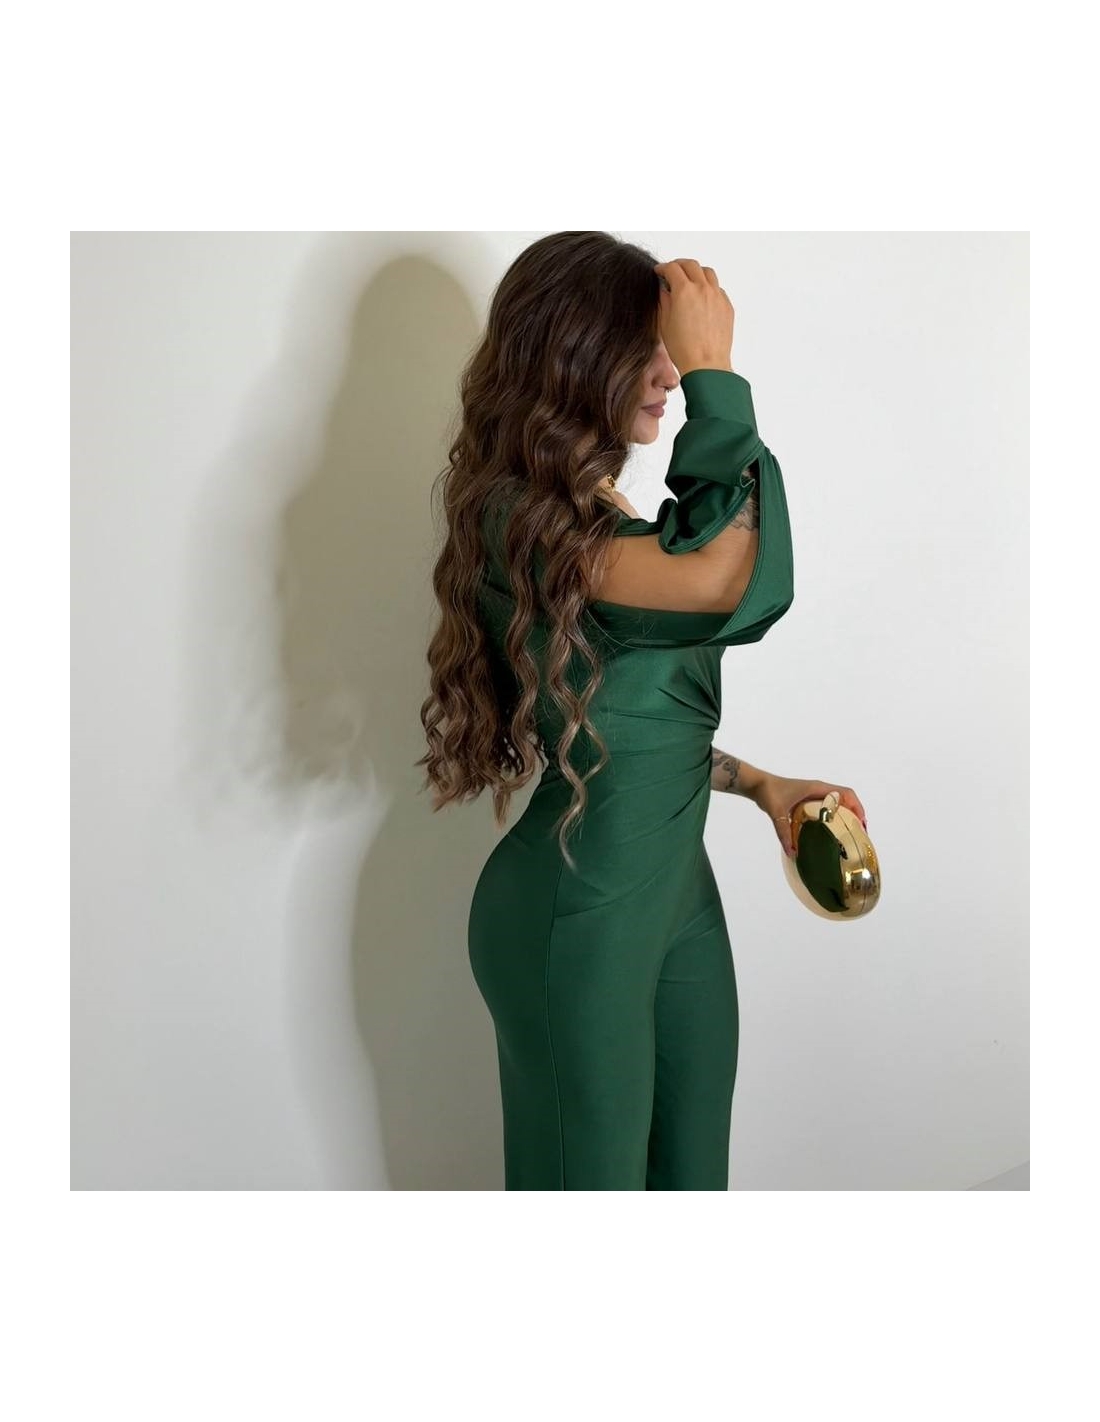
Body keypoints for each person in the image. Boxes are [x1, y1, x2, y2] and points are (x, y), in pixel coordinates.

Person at [418, 232, 868, 1189]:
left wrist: (760, 784)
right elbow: (723, 578)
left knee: (693, 1176)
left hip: (673, 899)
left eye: (673, 355)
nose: (668, 374)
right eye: (649, 352)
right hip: (575, 912)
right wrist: (716, 377)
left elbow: (627, 723)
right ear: (576, 358)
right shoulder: (514, 518)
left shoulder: (589, 515)